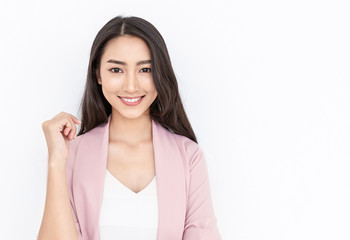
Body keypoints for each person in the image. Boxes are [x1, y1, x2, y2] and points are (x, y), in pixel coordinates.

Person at [37, 15, 221, 240]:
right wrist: (56, 161)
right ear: (98, 74)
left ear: (160, 74)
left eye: (145, 70)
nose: (131, 86)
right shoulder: (73, 154)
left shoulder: (188, 156)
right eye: (116, 70)